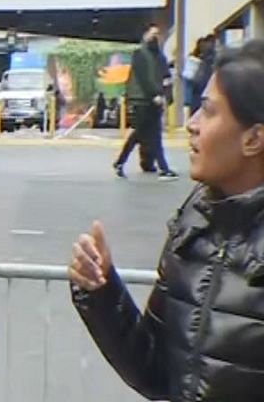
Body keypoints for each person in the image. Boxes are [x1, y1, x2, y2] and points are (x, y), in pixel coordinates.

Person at [69, 39, 264, 402]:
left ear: (253, 139)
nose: (191, 124)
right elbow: (155, 373)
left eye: (208, 111)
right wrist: (102, 292)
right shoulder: (195, 220)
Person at [114, 23, 177, 179]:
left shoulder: (160, 56)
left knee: (149, 134)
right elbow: (143, 78)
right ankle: (162, 168)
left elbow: (166, 77)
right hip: (141, 100)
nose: (155, 37)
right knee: (143, 134)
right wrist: (154, 94)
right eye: (152, 34)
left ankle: (123, 162)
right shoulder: (140, 54)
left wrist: (168, 97)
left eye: (157, 34)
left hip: (154, 100)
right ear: (144, 36)